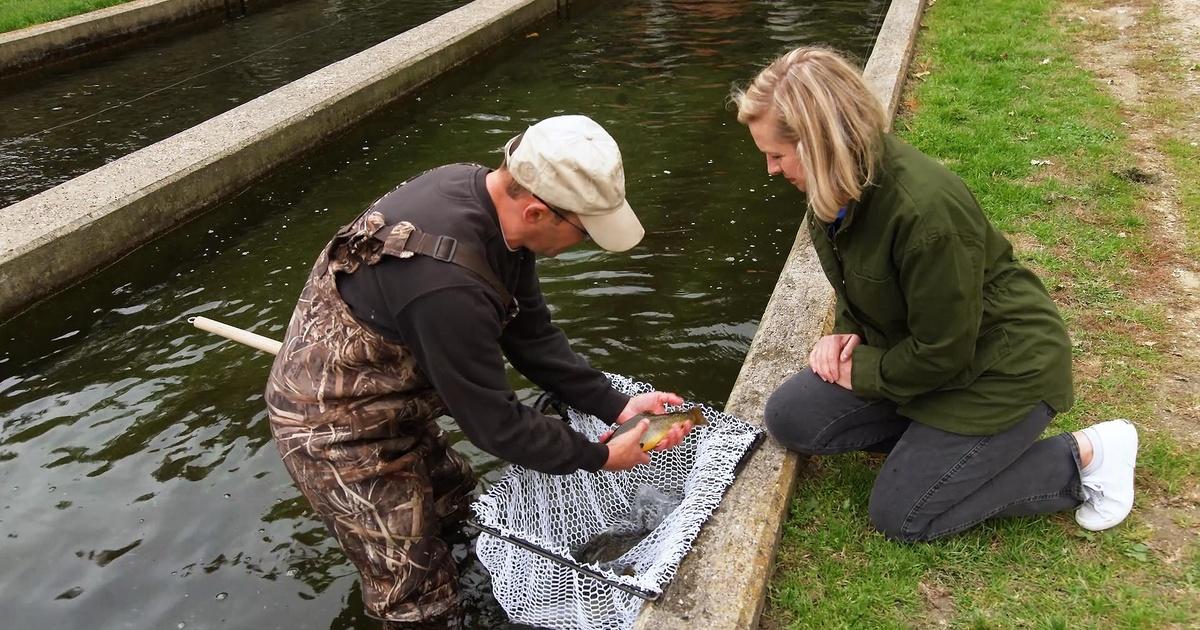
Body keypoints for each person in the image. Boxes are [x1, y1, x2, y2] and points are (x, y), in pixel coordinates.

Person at [263, 115, 693, 628]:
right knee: (417, 598)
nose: (586, 243)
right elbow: (497, 425)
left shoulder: (486, 205)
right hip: (338, 432)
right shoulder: (449, 287)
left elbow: (530, 335)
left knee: (461, 517)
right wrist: (600, 456)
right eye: (584, 231)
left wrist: (616, 405)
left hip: (401, 400)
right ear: (537, 210)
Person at [733, 47, 1138, 542]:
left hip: (999, 370)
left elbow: (944, 352)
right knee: (792, 418)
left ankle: (1086, 457)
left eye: (775, 155)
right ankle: (942, 448)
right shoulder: (831, 190)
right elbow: (858, 283)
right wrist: (844, 335)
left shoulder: (924, 214)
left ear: (818, 144)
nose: (771, 170)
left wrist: (857, 367)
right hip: (923, 356)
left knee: (902, 515)